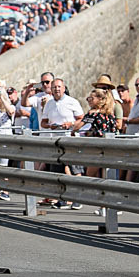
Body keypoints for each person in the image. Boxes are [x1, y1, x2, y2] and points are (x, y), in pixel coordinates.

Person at [40, 78, 85, 209]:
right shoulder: (49, 104)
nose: (57, 89)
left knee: (75, 169)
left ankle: (78, 198)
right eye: (54, 87)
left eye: (59, 87)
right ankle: (63, 198)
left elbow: (82, 119)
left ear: (64, 88)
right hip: (56, 140)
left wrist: (70, 124)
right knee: (57, 172)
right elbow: (43, 122)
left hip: (70, 139)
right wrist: (50, 126)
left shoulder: (72, 102)